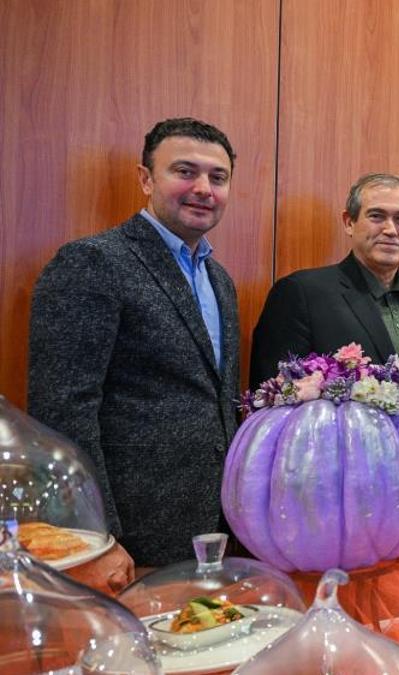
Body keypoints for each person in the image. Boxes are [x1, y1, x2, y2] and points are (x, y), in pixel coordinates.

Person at [27, 118, 241, 566]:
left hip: (211, 529)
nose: (204, 188)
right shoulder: (93, 262)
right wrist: (95, 537)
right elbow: (62, 411)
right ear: (145, 178)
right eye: (185, 171)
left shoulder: (219, 280)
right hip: (128, 537)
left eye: (217, 177)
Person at [250, 173, 399, 433]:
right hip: (332, 465)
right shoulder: (301, 293)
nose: (390, 230)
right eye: (376, 216)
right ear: (349, 222)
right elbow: (273, 399)